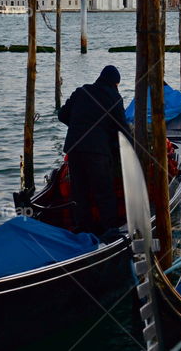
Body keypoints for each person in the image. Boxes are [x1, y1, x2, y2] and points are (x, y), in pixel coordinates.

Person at [58, 65, 131, 235]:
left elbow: (62, 115)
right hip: (98, 152)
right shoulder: (114, 97)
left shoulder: (81, 91)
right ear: (115, 84)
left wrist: (79, 126)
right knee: (104, 192)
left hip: (74, 148)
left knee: (79, 191)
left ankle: (82, 229)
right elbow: (123, 129)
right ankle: (109, 230)